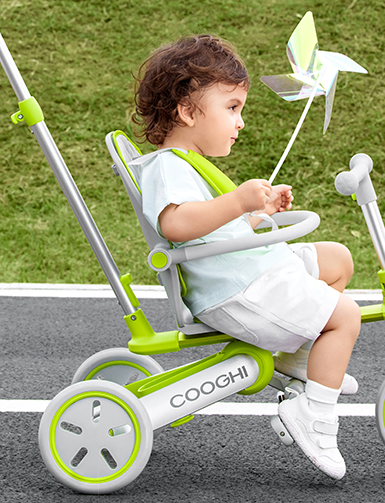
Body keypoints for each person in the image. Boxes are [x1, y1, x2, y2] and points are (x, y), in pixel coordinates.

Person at [133, 34, 361, 481]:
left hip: (247, 271)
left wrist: (256, 214)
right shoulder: (168, 165)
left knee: (337, 259)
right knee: (345, 316)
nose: (240, 122)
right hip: (238, 289)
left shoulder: (189, 164)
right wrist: (238, 201)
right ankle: (313, 414)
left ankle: (297, 358)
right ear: (187, 111)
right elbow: (176, 224)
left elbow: (213, 229)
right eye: (232, 107)